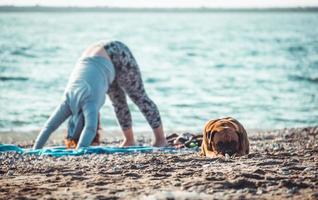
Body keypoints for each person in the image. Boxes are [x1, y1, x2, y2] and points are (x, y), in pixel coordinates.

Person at [33, 41, 167, 149]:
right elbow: (49, 127)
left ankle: (161, 140)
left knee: (138, 96)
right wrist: (35, 150)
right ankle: (129, 140)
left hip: (116, 53)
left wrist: (79, 152)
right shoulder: (67, 101)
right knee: (118, 102)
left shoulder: (87, 102)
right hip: (95, 57)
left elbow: (89, 128)